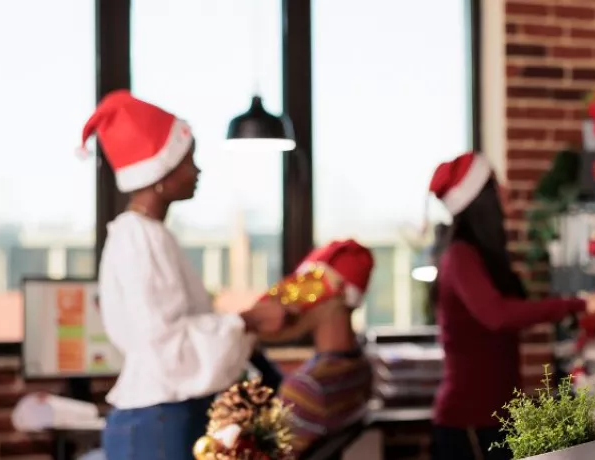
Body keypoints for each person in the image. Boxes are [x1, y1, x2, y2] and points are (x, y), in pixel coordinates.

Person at [82, 90, 287, 460]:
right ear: (159, 172)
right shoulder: (139, 239)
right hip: (159, 422)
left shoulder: (150, 234)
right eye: (187, 160)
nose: (197, 171)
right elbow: (166, 343)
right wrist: (246, 320)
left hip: (170, 416)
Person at [427, 152, 595, 460]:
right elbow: (498, 315)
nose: (505, 191)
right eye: (496, 184)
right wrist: (580, 304)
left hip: (493, 419)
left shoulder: (475, 256)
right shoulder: (460, 256)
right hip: (469, 424)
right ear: (482, 199)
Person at [268, 239, 377, 455]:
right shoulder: (361, 367)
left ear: (336, 294)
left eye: (309, 288)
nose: (296, 300)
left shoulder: (306, 388)